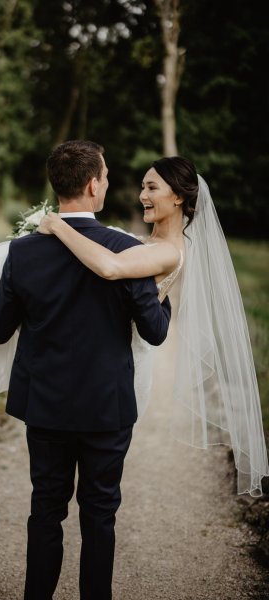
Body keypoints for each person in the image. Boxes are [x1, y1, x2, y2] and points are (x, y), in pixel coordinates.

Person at [0, 140, 171, 600]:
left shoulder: (23, 253)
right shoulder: (127, 251)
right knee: (100, 514)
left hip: (45, 407)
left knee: (46, 510)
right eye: (105, 176)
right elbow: (155, 333)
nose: (106, 182)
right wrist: (164, 297)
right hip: (106, 409)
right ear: (93, 185)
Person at [37, 156, 269, 498]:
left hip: (120, 363)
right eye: (142, 186)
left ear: (177, 197)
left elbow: (111, 268)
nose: (141, 195)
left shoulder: (168, 252)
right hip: (97, 352)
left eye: (151, 187)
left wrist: (58, 226)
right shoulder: (142, 242)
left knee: (96, 488)